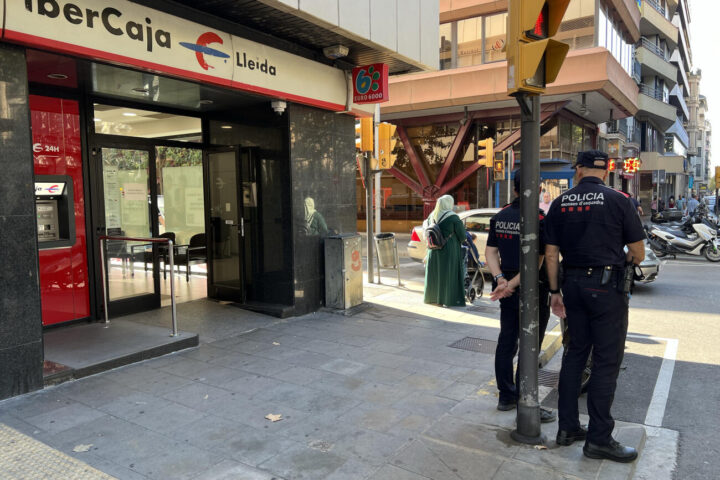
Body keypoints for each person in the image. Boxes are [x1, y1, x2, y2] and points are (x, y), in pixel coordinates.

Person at [544, 150, 645, 463]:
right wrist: (620, 264)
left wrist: (554, 290)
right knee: (605, 361)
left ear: (579, 170)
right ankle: (599, 438)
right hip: (605, 287)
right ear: (605, 171)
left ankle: (568, 428)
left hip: (571, 285)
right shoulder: (619, 200)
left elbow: (550, 254)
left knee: (575, 353)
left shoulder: (560, 203)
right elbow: (638, 252)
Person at [485, 172, 555, 422]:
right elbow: (536, 261)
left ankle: (506, 396)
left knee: (507, 340)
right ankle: (526, 397)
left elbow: (490, 252)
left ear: (514, 189)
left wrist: (499, 279)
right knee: (530, 344)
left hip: (508, 288)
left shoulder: (500, 216)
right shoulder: (538, 219)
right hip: (532, 289)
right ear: (536, 190)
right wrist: (509, 284)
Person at [423, 195, 466, 307]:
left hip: (433, 249)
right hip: (449, 250)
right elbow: (462, 236)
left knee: (435, 274)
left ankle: (433, 299)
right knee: (448, 274)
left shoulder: (431, 216)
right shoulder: (453, 217)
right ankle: (448, 300)